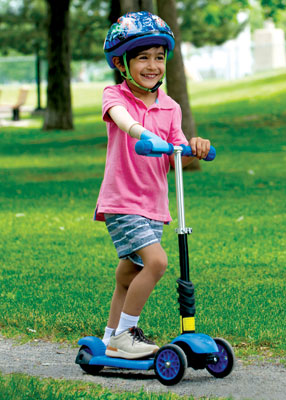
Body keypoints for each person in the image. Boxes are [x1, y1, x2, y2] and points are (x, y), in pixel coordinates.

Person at [94, 11, 211, 360]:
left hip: (154, 206)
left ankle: (110, 337)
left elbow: (176, 155)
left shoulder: (170, 107)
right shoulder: (114, 96)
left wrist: (195, 148)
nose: (152, 65)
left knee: (129, 274)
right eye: (142, 57)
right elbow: (122, 120)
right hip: (123, 201)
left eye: (159, 57)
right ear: (121, 63)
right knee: (156, 262)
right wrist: (143, 134)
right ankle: (126, 335)